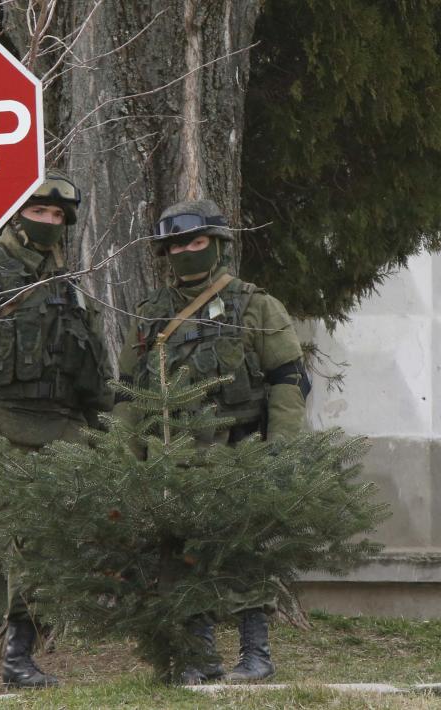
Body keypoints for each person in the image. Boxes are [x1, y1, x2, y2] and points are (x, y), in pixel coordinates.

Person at [115, 199, 310, 683]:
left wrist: (281, 452)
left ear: (218, 245)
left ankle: (256, 655)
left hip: (237, 449)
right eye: (177, 244)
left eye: (196, 241)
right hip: (171, 456)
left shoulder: (255, 304)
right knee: (180, 560)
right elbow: (126, 392)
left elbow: (288, 381)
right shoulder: (150, 315)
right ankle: (200, 660)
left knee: (243, 553)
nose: (186, 251)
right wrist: (125, 459)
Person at [0, 170, 113, 696]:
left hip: (62, 433)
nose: (48, 222)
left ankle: (20, 658)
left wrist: (109, 432)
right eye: (39, 212)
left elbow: (95, 368)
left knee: (48, 553)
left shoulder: (69, 286)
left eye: (57, 216)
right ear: (18, 214)